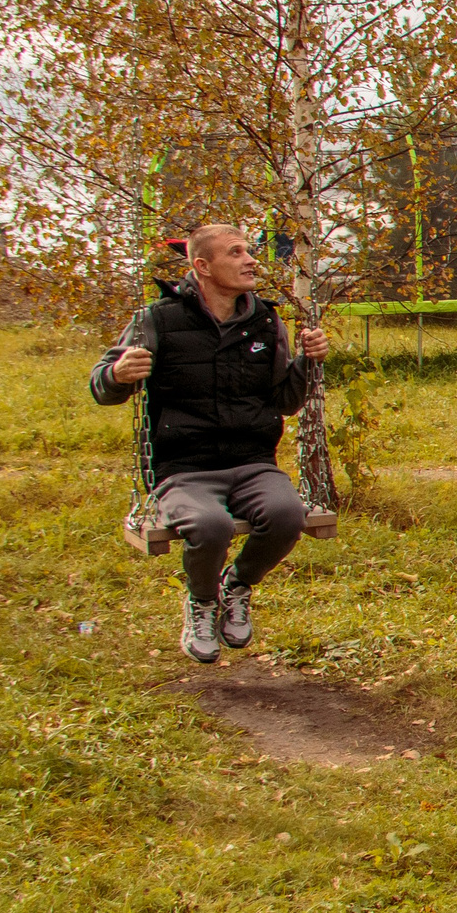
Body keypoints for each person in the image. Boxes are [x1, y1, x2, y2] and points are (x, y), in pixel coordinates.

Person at [91, 223, 330, 665]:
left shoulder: (265, 320)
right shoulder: (156, 320)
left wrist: (306, 362)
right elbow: (102, 384)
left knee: (287, 515)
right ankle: (201, 602)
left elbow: (285, 401)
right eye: (236, 253)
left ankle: (235, 586)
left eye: (250, 251)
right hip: (184, 467)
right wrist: (117, 375)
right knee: (210, 526)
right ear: (202, 266)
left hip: (252, 461)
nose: (250, 259)